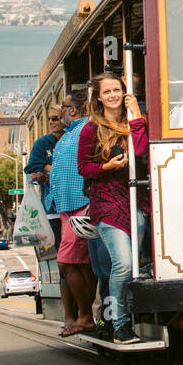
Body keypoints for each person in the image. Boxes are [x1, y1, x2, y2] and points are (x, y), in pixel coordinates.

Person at [78, 71, 151, 344]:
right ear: (99, 97)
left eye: (116, 90)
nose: (112, 95)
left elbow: (142, 151)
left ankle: (128, 320)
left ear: (124, 92)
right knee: (122, 263)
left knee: (133, 266)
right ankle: (120, 326)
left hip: (135, 200)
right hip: (107, 204)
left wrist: (136, 115)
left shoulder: (133, 120)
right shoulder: (90, 128)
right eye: (106, 91)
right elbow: (83, 168)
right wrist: (106, 167)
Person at [48, 91, 107, 338]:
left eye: (64, 107)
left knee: (67, 262)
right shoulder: (69, 134)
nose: (60, 112)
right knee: (80, 263)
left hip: (81, 204)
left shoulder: (86, 128)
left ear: (73, 110)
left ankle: (85, 316)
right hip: (67, 205)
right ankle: (85, 316)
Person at [24, 108, 64, 248]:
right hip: (52, 209)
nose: (51, 122)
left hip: (74, 206)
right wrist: (47, 170)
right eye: (49, 119)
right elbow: (31, 169)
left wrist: (50, 169)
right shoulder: (43, 143)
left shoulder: (72, 140)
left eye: (55, 118)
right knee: (61, 254)